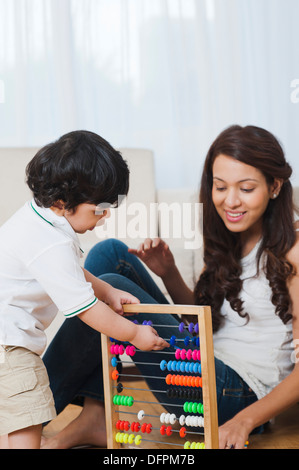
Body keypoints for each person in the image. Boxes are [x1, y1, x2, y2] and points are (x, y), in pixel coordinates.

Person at [41, 124, 299, 450]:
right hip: (204, 360)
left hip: (239, 393)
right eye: (220, 187)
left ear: (274, 186)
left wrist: (243, 421)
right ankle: (96, 414)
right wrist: (169, 274)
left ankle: (25, 414)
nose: (230, 201)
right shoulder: (229, 236)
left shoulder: (293, 251)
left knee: (110, 287)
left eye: (246, 188)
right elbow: (204, 322)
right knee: (110, 254)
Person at [0, 130, 168, 450]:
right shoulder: (50, 243)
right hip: (10, 347)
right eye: (99, 210)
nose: (103, 219)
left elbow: (73, 272)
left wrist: (108, 290)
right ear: (64, 201)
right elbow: (86, 310)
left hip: (5, 344)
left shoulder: (38, 219)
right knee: (27, 422)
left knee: (10, 423)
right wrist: (133, 334)